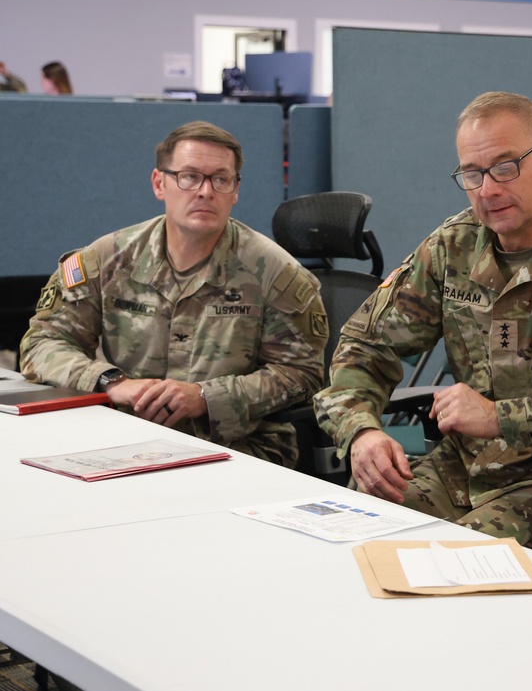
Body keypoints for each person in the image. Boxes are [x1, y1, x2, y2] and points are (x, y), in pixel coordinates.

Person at [313, 91, 532, 556]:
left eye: (505, 167)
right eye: (471, 174)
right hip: (464, 468)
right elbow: (364, 346)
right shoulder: (454, 245)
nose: (487, 189)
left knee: (454, 560)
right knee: (358, 535)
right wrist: (362, 431)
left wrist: (500, 417)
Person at [20, 120, 328, 469]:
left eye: (220, 179)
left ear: (235, 190)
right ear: (159, 183)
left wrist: (205, 398)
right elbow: (41, 344)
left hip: (238, 449)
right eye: (189, 176)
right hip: (121, 434)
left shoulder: (276, 274)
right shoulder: (106, 259)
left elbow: (302, 375)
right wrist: (111, 383)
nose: (205, 191)